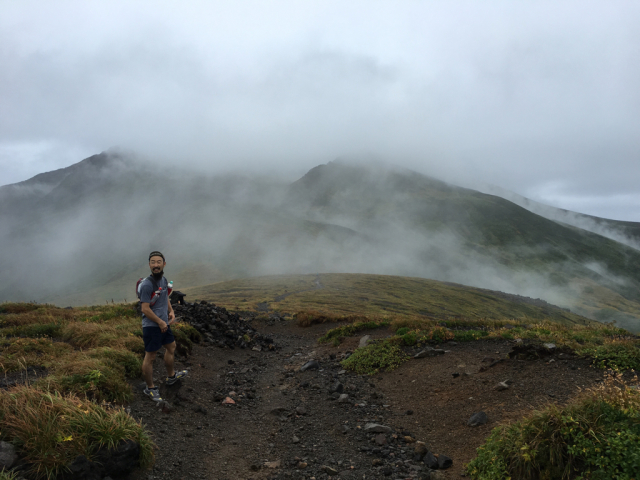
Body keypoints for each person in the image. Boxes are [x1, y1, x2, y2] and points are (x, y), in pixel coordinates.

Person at [139, 251, 187, 402]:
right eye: (153, 262)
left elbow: (165, 296)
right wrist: (159, 322)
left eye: (158, 262)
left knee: (171, 347)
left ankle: (171, 377)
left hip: (163, 323)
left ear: (164, 264)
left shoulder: (163, 280)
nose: (156, 265)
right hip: (152, 326)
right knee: (151, 356)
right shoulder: (147, 285)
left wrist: (171, 311)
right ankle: (150, 388)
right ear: (149, 265)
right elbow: (145, 309)